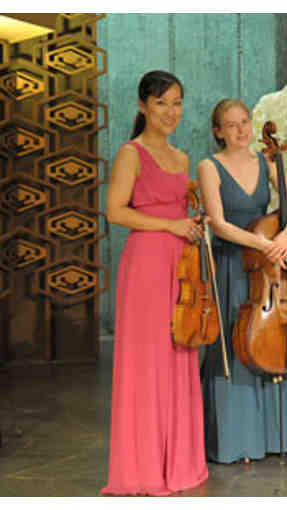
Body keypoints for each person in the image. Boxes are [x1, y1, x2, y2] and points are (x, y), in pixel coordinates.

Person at [102, 70, 208, 495]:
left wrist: (192, 224)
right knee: (147, 362)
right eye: (161, 102)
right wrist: (171, 225)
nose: (170, 111)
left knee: (177, 353)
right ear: (142, 106)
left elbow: (179, 213)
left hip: (179, 264)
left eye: (177, 102)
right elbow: (115, 211)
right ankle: (143, 466)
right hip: (146, 265)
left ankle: (176, 461)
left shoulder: (182, 158)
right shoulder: (131, 153)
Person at [198, 98, 287, 464]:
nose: (241, 130)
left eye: (244, 122)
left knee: (268, 341)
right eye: (231, 124)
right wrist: (261, 243)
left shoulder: (266, 161)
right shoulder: (209, 167)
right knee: (235, 343)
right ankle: (234, 441)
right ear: (218, 131)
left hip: (266, 267)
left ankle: (273, 437)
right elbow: (218, 223)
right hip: (231, 263)